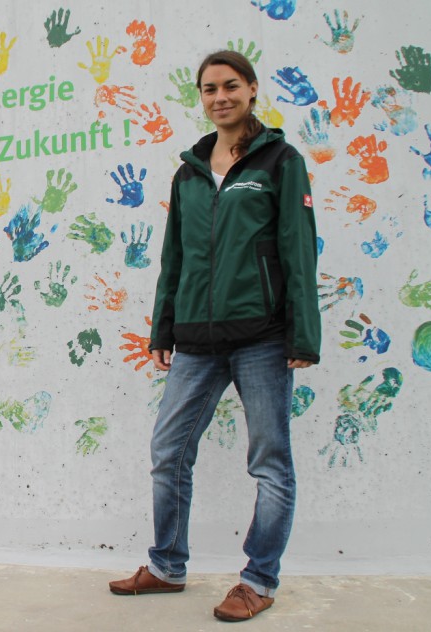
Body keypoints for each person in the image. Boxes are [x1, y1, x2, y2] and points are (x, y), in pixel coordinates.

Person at [108, 50, 320, 622]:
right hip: (197, 339)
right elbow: (172, 256)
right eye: (209, 89)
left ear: (251, 89)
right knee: (168, 451)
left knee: (270, 462)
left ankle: (258, 580)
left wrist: (304, 335)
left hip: (262, 336)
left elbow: (299, 250)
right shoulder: (189, 171)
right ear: (200, 97)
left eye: (230, 86)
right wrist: (162, 326)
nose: (220, 97)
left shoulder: (280, 160)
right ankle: (167, 565)